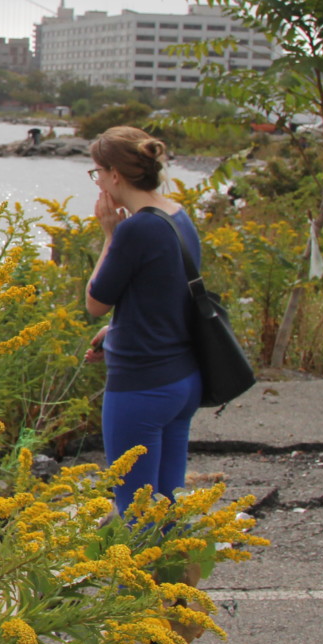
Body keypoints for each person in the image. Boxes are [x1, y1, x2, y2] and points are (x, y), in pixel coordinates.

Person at [83, 126, 202, 514]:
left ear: (114, 175)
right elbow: (164, 296)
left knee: (135, 510)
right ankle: (173, 575)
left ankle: (141, 575)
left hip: (141, 386)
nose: (97, 181)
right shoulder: (176, 216)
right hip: (182, 380)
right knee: (167, 505)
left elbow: (96, 301)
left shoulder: (135, 228)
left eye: (96, 172)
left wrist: (108, 234)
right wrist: (118, 330)